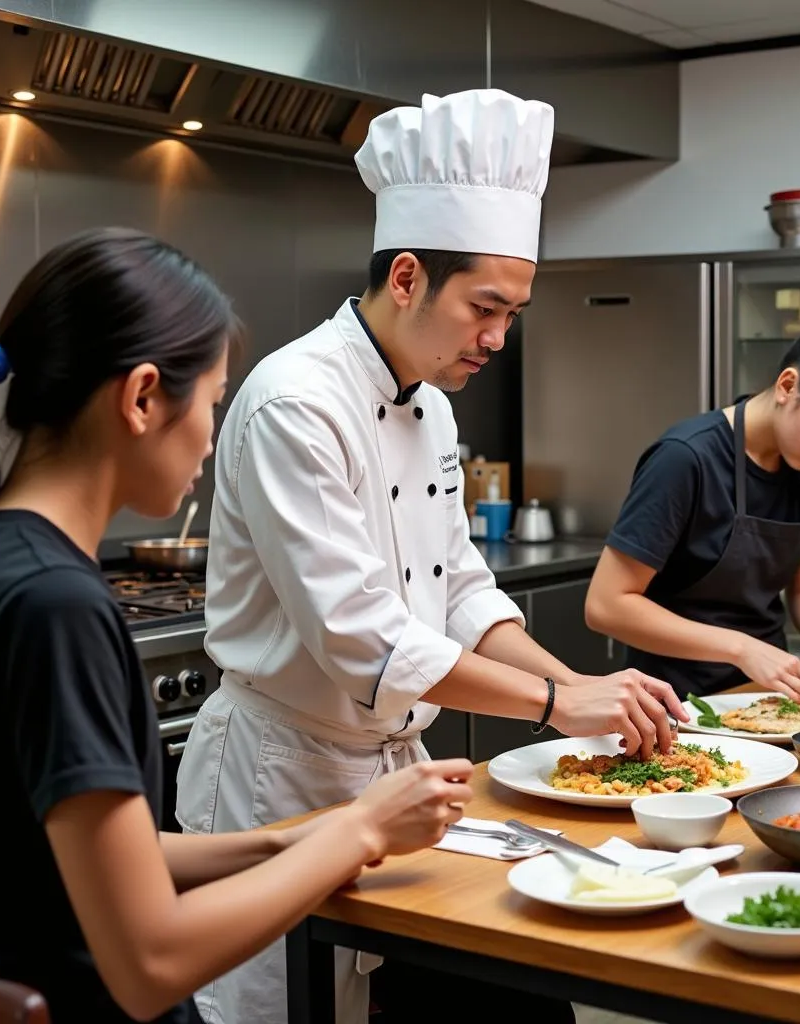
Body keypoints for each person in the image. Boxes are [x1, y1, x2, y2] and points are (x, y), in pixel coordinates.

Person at [175, 88, 685, 1024]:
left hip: (400, 779)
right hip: (282, 778)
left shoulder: (433, 404)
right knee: (286, 1011)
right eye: (484, 307)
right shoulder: (297, 400)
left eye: (514, 311)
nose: (497, 337)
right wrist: (554, 702)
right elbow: (362, 638)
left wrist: (577, 686)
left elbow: (458, 589)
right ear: (406, 276)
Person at [0, 227, 476, 1024]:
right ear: (144, 396)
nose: (215, 436)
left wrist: (287, 841)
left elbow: (89, 859)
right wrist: (357, 830)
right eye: (215, 401)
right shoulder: (58, 608)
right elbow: (150, 962)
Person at [586, 287, 800, 704]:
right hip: (672, 705)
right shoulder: (685, 458)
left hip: (766, 698)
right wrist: (742, 648)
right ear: (789, 385)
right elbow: (607, 605)